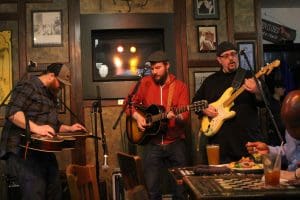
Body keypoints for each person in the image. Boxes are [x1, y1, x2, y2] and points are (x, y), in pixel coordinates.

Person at [0, 63, 87, 200]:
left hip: (40, 151)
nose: (62, 87)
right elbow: (12, 113)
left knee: (55, 188)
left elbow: (53, 125)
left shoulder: (50, 95)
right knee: (36, 190)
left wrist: (69, 128)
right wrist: (37, 128)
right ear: (51, 76)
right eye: (61, 83)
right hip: (21, 150)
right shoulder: (28, 86)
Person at [126, 50, 189, 200]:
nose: (154, 72)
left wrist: (177, 116)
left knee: (180, 190)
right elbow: (128, 104)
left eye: (158, 68)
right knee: (152, 190)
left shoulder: (180, 87)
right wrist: (137, 117)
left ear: (167, 66)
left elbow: (185, 116)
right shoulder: (145, 83)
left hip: (175, 142)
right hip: (152, 143)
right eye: (152, 68)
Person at [192, 41, 267, 164]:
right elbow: (196, 102)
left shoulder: (250, 76)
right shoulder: (210, 81)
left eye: (233, 54)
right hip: (220, 146)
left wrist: (257, 91)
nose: (231, 58)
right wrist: (204, 109)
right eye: (226, 56)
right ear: (219, 60)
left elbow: (265, 103)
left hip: (246, 143)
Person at [246, 90, 300, 180]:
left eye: (294, 127)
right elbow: (291, 152)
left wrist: (295, 174)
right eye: (287, 126)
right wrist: (269, 151)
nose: (290, 132)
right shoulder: (291, 127)